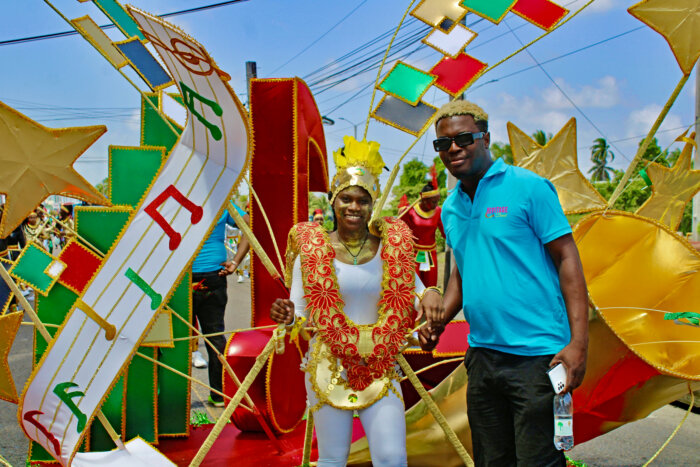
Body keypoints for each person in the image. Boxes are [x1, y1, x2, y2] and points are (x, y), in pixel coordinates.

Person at [421, 100, 588, 466]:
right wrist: (438, 320)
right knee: (491, 460)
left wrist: (578, 342)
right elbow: (462, 273)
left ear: (485, 138)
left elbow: (568, 259)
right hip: (482, 358)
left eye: (464, 139)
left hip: (539, 357)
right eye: (442, 144)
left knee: (538, 461)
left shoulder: (528, 188)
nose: (453, 149)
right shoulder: (450, 207)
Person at [269, 136, 442, 467]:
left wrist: (431, 295)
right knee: (333, 458)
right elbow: (301, 317)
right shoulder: (311, 252)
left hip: (381, 365)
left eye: (363, 200)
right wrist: (289, 317)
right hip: (329, 367)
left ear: (372, 203)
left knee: (392, 457)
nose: (353, 207)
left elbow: (419, 291)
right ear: (333, 200)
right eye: (346, 198)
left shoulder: (392, 246)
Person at [191, 204, 250, 407]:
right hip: (202, 277)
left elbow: (250, 225)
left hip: (192, 278)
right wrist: (235, 261)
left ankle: (213, 395)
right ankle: (218, 395)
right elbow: (250, 225)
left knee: (181, 339)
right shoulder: (221, 195)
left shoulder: (176, 194)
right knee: (213, 336)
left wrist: (236, 261)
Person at [398, 169, 445, 287]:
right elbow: (398, 231)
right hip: (413, 254)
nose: (435, 205)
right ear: (423, 199)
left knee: (430, 286)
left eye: (437, 201)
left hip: (431, 254)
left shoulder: (438, 211)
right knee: (414, 286)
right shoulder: (410, 212)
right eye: (433, 201)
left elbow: (446, 233)